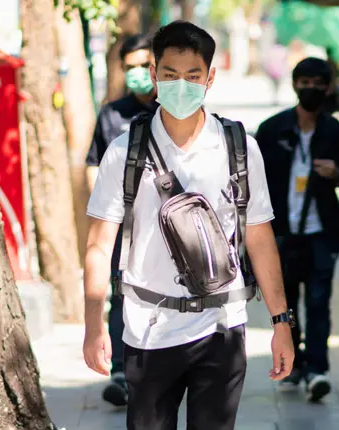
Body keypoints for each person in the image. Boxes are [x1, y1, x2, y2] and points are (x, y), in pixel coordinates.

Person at [83, 21, 295, 429]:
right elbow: (98, 244)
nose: (181, 85)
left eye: (193, 76)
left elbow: (260, 239)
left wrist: (280, 322)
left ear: (210, 78)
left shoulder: (239, 149)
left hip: (222, 327)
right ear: (154, 75)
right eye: (170, 74)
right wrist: (94, 325)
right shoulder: (124, 152)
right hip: (148, 328)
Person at [255, 57, 339, 402]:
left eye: (318, 83)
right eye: (304, 82)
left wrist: (335, 174)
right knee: (286, 305)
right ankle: (294, 365)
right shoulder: (272, 130)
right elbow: (253, 183)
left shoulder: (336, 131)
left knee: (319, 300)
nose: (310, 89)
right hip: (282, 234)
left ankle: (317, 369)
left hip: (322, 232)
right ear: (294, 85)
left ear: (328, 88)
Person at [85, 33, 158, 407]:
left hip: (165, 227)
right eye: (130, 67)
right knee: (120, 294)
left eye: (144, 65)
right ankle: (121, 373)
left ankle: (159, 370)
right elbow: (93, 165)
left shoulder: (173, 111)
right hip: (122, 226)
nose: (138, 73)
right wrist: (101, 216)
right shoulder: (112, 114)